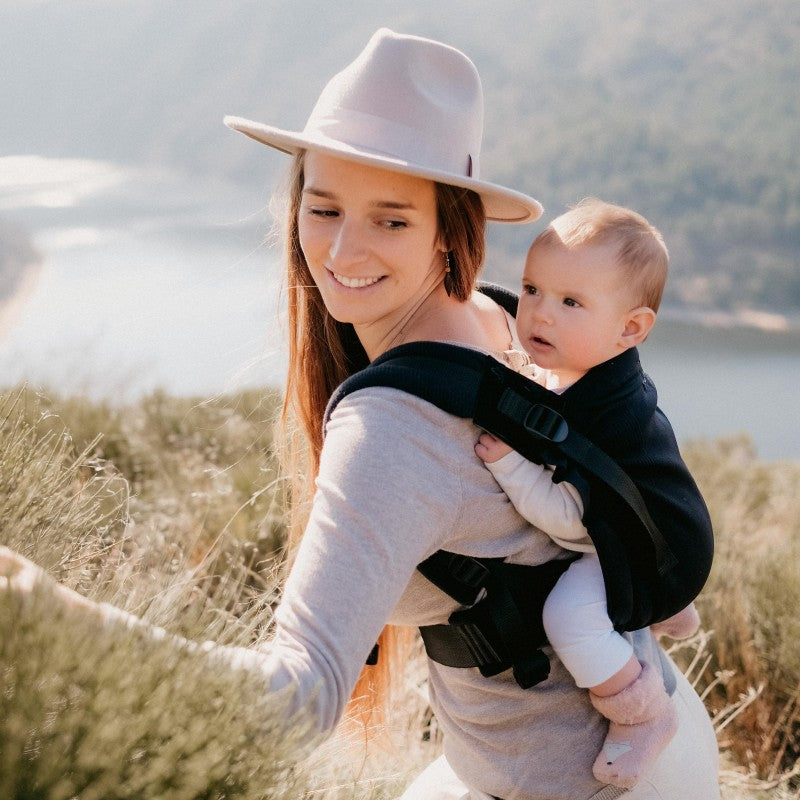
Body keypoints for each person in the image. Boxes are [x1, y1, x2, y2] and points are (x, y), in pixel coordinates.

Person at [0, 28, 719, 800]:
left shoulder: (393, 426)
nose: (343, 250)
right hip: (659, 736)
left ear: (453, 224)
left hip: (587, 784)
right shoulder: (499, 322)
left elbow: (296, 700)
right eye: (324, 207)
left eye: (392, 219)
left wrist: (43, 615)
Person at [475, 198, 704, 789]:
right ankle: (665, 601)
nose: (539, 315)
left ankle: (644, 714)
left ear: (631, 328)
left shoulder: (601, 415)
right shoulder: (597, 372)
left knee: (571, 616)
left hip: (637, 541)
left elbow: (574, 526)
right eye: (531, 289)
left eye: (571, 302)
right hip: (671, 528)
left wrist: (511, 469)